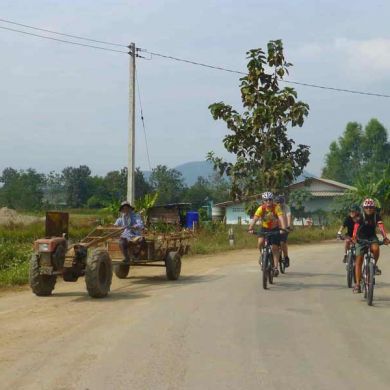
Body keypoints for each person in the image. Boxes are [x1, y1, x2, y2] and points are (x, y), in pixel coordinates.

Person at [351, 198, 389, 293]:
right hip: (360, 238)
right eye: (367, 207)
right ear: (364, 208)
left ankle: (374, 266)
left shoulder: (376, 216)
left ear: (374, 208)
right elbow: (356, 227)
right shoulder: (360, 217)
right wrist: (354, 236)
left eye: (371, 207)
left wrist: (385, 237)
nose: (369, 209)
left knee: (376, 249)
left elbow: (381, 227)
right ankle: (357, 285)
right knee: (359, 260)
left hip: (372, 237)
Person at [248, 192, 286, 276]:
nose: (268, 201)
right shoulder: (261, 208)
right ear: (263, 201)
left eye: (270, 199)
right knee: (260, 242)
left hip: (274, 229)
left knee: (274, 248)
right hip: (264, 228)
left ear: (272, 200)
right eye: (266, 200)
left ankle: (275, 268)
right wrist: (250, 228)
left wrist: (283, 228)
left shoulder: (277, 207)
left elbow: (281, 217)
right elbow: (255, 219)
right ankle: (262, 255)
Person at [275, 195, 292, 267]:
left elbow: (288, 216)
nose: (279, 204)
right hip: (275, 227)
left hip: (284, 227)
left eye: (281, 202)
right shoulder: (273, 207)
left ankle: (286, 257)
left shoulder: (286, 207)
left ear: (283, 202)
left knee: (282, 242)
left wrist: (288, 226)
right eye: (277, 202)